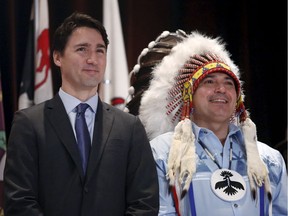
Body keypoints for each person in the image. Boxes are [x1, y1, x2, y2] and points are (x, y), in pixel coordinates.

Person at [4, 12, 159, 216]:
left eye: (100, 50)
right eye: (82, 49)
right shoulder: (28, 123)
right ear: (58, 57)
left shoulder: (129, 127)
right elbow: (19, 201)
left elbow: (145, 203)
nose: (93, 59)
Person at [126, 30, 287, 215]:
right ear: (188, 96)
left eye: (229, 83)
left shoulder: (268, 159)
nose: (221, 89)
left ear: (238, 98)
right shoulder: (162, 154)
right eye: (209, 81)